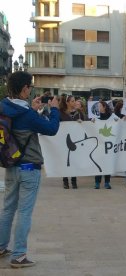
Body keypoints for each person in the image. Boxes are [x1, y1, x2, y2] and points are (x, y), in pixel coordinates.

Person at [0, 71, 60, 268]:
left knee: (8, 208)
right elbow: (51, 129)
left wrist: (32, 110)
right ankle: (18, 255)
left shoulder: (3, 107)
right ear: (25, 88)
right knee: (24, 212)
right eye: (30, 87)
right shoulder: (26, 114)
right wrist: (55, 109)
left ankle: (1, 246)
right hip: (29, 167)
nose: (31, 90)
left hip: (10, 165)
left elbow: (20, 125)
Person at [59, 94, 85, 189]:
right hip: (64, 140)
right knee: (65, 161)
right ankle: (65, 181)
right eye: (72, 101)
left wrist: (81, 122)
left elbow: (86, 123)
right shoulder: (61, 113)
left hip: (76, 140)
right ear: (67, 102)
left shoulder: (79, 113)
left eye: (75, 101)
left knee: (74, 161)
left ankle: (74, 181)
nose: (74, 103)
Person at [93, 101, 119, 189]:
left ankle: (107, 182)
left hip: (109, 145)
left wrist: (119, 121)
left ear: (104, 107)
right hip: (99, 145)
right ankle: (97, 182)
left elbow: (119, 123)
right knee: (98, 164)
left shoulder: (112, 116)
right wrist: (91, 122)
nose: (98, 108)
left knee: (107, 163)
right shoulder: (95, 117)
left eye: (99, 106)